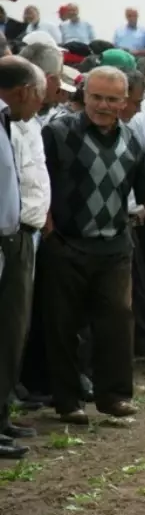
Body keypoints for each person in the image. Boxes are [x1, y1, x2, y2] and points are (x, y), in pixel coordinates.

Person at [40, 66, 145, 424]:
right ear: (84, 95)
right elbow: (40, 182)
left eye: (112, 99)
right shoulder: (57, 133)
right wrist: (49, 233)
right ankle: (68, 401)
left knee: (117, 321)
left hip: (113, 245)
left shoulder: (133, 140)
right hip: (67, 243)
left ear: (125, 102)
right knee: (62, 325)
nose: (103, 105)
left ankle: (114, 397)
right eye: (96, 97)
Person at [0, 57, 46, 458]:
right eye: (39, 97)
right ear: (24, 91)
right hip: (6, 240)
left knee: (14, 332)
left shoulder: (16, 124)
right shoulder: (7, 123)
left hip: (19, 236)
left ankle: (2, 416)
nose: (40, 107)